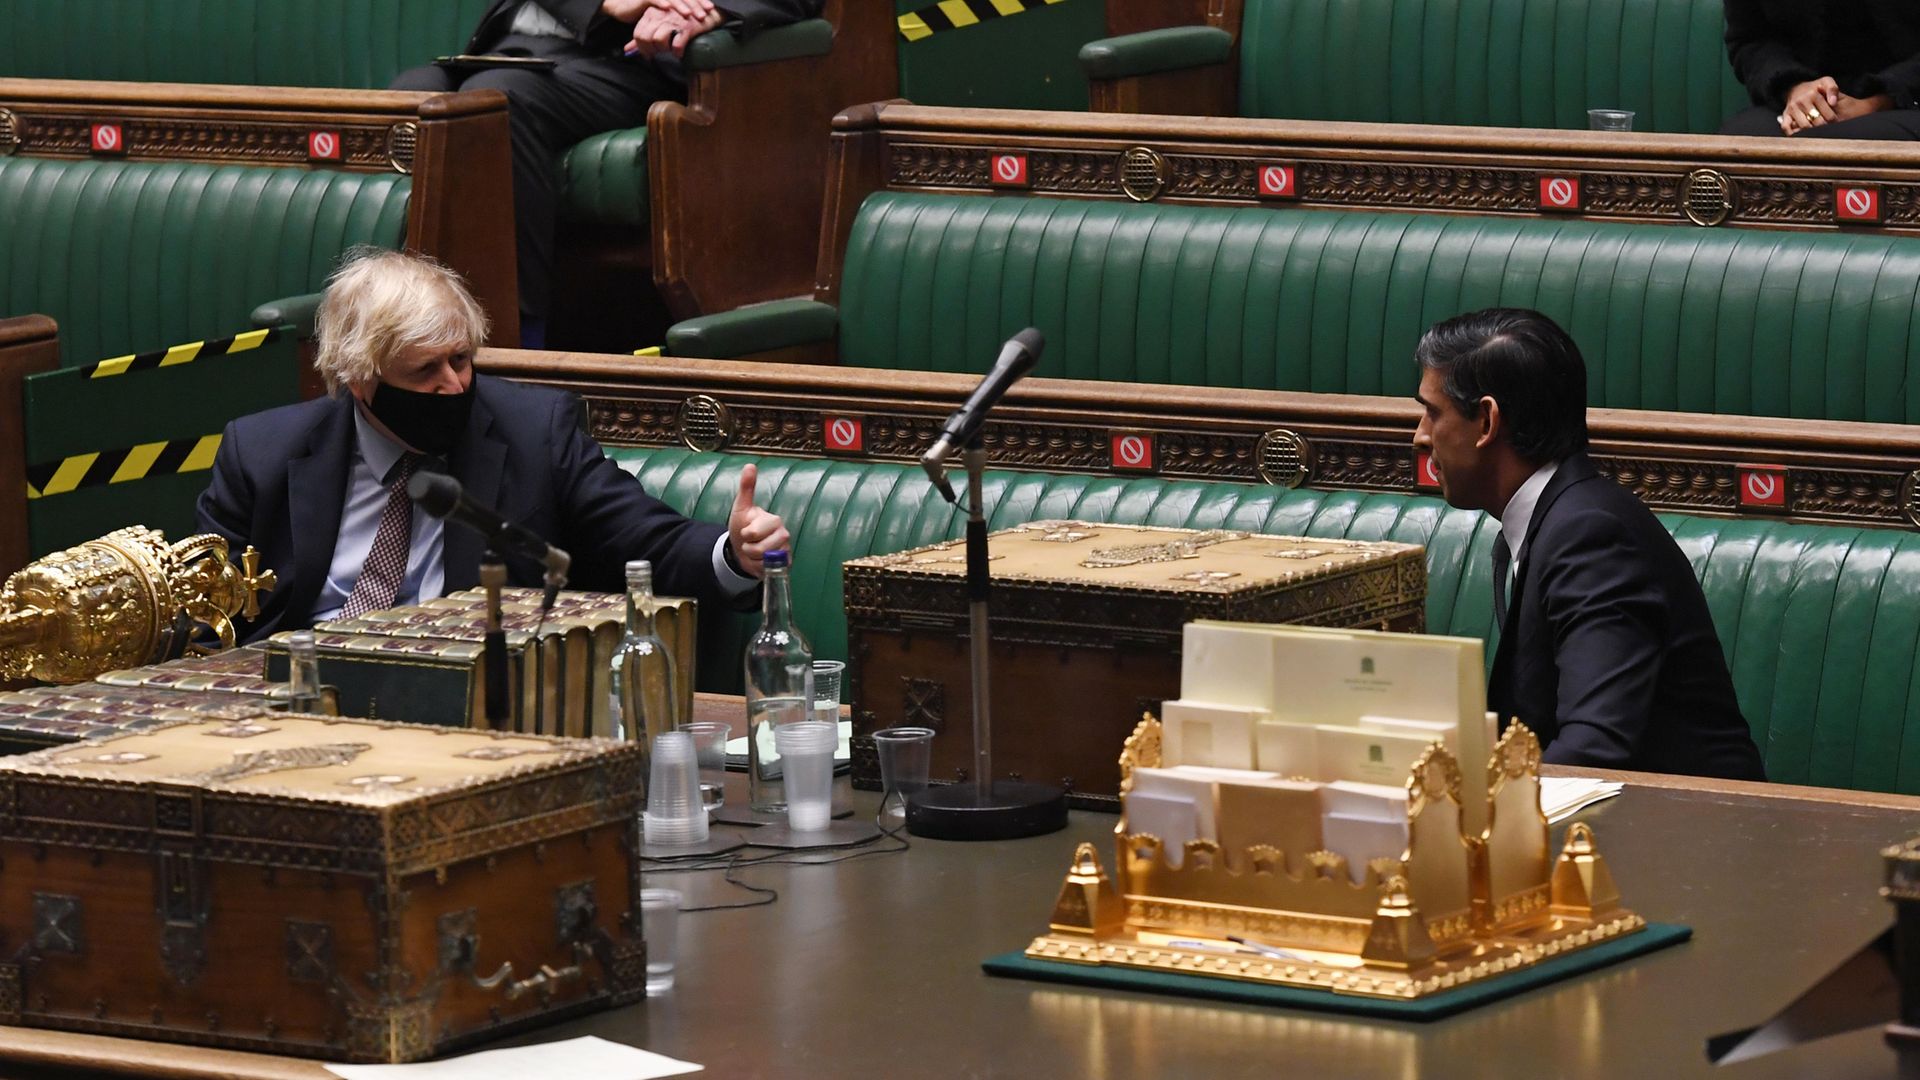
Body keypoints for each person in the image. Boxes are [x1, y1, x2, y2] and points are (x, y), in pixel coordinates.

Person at [196, 248, 788, 645]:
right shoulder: (261, 453)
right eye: (426, 370)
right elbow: (205, 612)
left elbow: (644, 537)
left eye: (461, 360)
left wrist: (732, 553)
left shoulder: (533, 431)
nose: (453, 385)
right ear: (359, 379)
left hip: (468, 699)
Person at [1411, 308, 1766, 780]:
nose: (1420, 436)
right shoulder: (1559, 520)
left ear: (1486, 422)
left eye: (1432, 413)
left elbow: (1595, 746)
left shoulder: (1590, 536)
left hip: (1693, 835)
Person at [390, 0, 823, 346]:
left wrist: (714, 9)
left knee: (495, 102)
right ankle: (391, 327)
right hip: (516, 48)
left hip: (634, 62)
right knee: (408, 99)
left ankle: (511, 347)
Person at [1720, 0, 1920, 138]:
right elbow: (1751, 39)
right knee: (1740, 143)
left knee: (1817, 142)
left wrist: (1876, 103)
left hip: (1907, 101)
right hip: (1797, 100)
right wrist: (1794, 88)